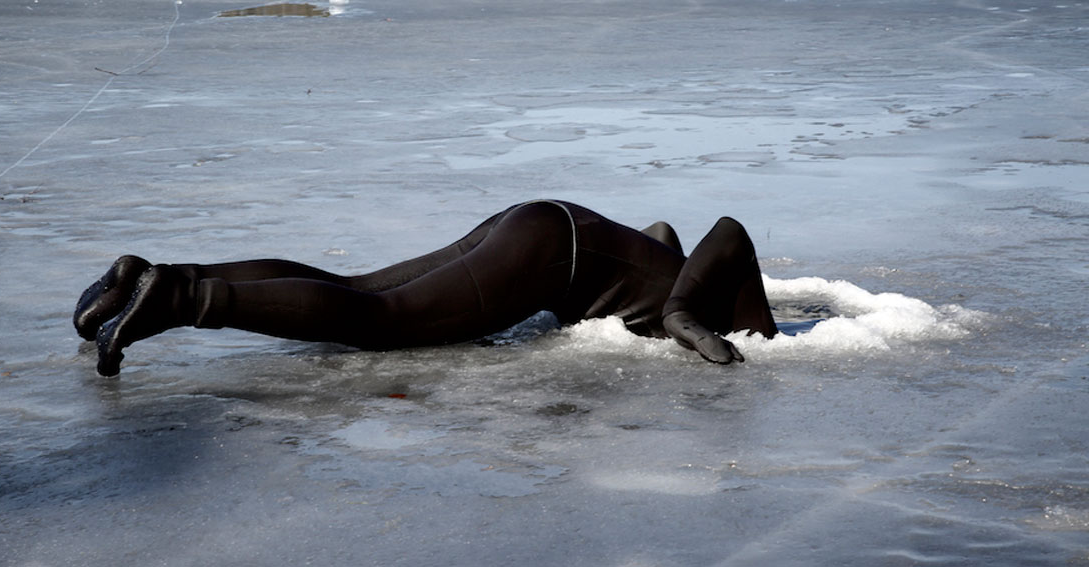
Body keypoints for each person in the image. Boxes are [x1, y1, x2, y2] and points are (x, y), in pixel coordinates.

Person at [76, 200, 778, 376]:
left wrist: (661, 295)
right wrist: (683, 316)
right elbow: (730, 230)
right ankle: (176, 299)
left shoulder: (676, 273)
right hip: (546, 251)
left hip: (542, 227)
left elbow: (658, 230)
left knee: (355, 288)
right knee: (379, 318)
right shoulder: (736, 308)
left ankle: (158, 278)